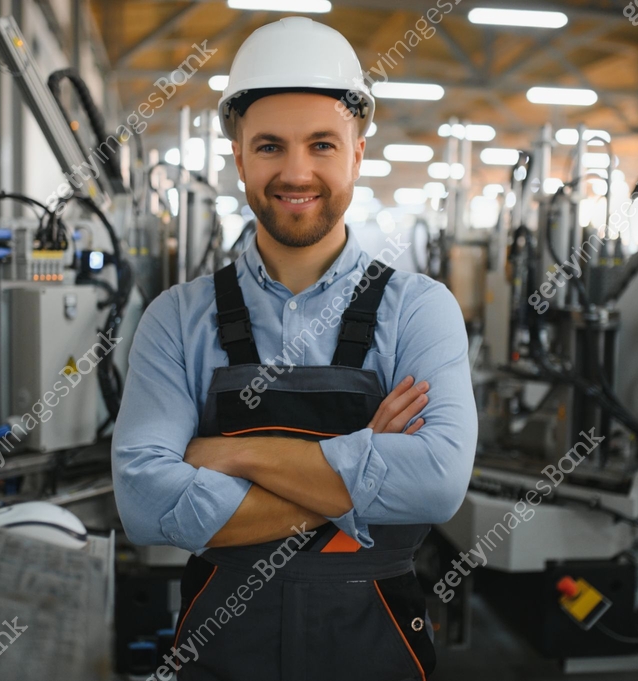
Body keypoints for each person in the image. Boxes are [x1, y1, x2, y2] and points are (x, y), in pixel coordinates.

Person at [111, 16, 477, 681]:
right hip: (221, 648)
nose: (296, 171)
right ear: (240, 156)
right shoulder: (177, 318)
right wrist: (365, 463)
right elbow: (144, 502)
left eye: (322, 145)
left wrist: (234, 453)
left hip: (376, 644)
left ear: (358, 154)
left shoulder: (420, 310)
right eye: (271, 146)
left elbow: (436, 484)